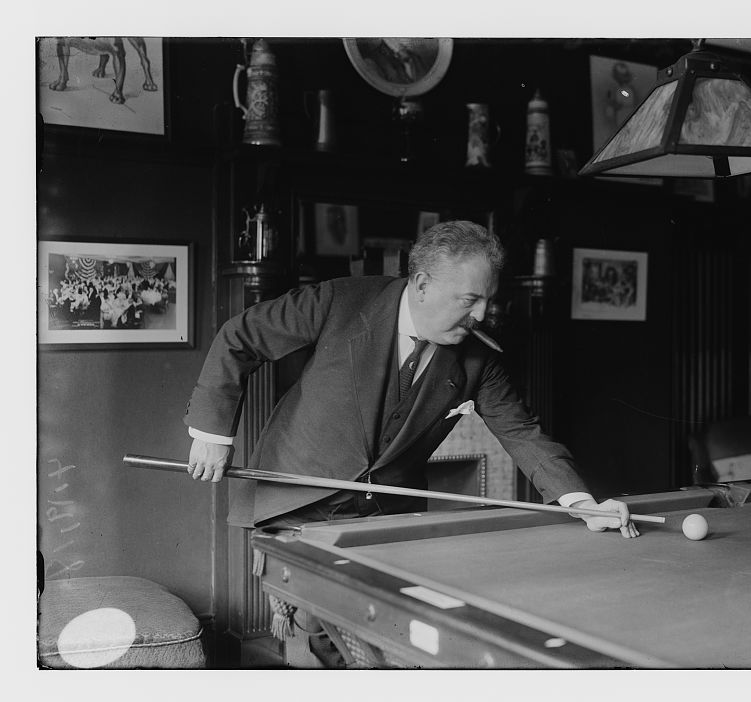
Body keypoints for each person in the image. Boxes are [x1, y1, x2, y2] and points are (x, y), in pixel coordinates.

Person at [184, 220, 638, 538]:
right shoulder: (339, 302)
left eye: (487, 300)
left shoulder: (480, 355)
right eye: (469, 299)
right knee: (313, 635)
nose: (482, 314)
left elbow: (522, 432)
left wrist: (580, 504)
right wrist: (212, 434)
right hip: (292, 502)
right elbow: (241, 336)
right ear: (422, 285)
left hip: (385, 517)